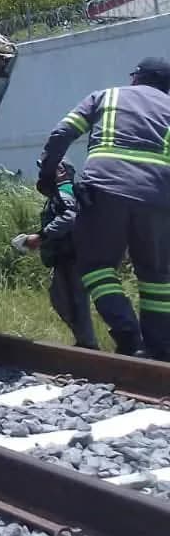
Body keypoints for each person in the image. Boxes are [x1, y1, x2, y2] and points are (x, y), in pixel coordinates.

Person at [37, 57, 170, 359]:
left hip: (105, 191)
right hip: (159, 199)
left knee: (96, 266)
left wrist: (47, 175)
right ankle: (161, 350)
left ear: (136, 78)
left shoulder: (106, 97)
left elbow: (61, 134)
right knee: (157, 278)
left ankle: (129, 336)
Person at [13, 160, 98, 350]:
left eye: (47, 169)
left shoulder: (64, 191)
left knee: (74, 301)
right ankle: (85, 342)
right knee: (64, 299)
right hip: (67, 256)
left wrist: (41, 236)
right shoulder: (61, 192)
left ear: (61, 171)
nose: (43, 173)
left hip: (72, 256)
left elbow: (69, 217)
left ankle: (88, 345)